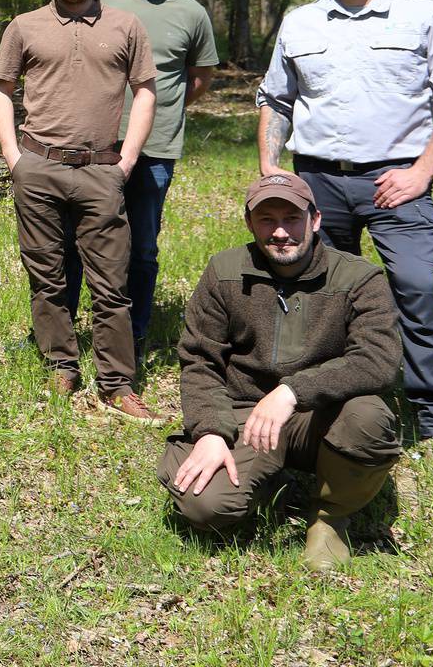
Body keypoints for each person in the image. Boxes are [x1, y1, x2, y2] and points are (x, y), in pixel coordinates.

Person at [257, 0, 433, 442]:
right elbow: (275, 99)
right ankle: (329, 401)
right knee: (318, 295)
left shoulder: (425, 16)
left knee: (415, 286)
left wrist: (421, 172)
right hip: (316, 181)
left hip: (396, 182)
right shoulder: (302, 22)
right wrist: (272, 168)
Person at [160, 172, 403, 570]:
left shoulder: (360, 278)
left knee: (369, 418)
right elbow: (200, 360)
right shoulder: (224, 272)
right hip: (244, 415)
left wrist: (292, 391)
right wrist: (209, 432)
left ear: (315, 219)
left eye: (291, 218)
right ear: (249, 223)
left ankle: (329, 517)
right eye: (266, 219)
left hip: (322, 415)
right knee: (205, 508)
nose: (280, 232)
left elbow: (376, 359)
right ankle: (266, 476)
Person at [0, 0, 161, 421]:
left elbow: (145, 91)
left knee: (112, 283)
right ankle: (61, 366)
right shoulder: (24, 26)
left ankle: (116, 383)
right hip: (38, 167)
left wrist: (126, 159)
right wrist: (13, 157)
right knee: (47, 276)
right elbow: (2, 89)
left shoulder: (125, 25)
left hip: (101, 169)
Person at [62, 0, 219, 355]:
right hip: (92, 145)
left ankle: (133, 333)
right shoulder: (99, 0)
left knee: (141, 248)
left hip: (155, 149)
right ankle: (64, 336)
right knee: (75, 241)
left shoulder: (191, 13)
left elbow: (200, 76)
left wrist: (160, 112)